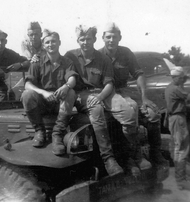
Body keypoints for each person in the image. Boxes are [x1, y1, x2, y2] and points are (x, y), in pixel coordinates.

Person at [98, 22, 168, 169]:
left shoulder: (126, 53)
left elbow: (139, 74)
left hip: (125, 91)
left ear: (120, 38)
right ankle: (133, 155)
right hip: (108, 93)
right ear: (103, 38)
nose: (111, 40)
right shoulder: (98, 56)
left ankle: (155, 152)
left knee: (152, 114)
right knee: (127, 114)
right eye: (108, 37)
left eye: (114, 37)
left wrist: (144, 97)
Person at [64, 24, 126, 177]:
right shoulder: (70, 56)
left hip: (99, 93)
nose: (86, 42)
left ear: (95, 39)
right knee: (97, 109)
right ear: (78, 40)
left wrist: (100, 97)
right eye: (82, 39)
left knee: (126, 111)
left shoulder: (103, 59)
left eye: (89, 39)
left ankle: (129, 157)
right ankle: (108, 159)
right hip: (78, 95)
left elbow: (109, 83)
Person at [21, 29, 77, 155]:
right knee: (27, 94)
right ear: (43, 45)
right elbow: (28, 84)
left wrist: (67, 86)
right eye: (47, 42)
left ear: (59, 43)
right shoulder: (37, 62)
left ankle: (57, 134)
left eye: (53, 42)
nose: (50, 45)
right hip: (43, 103)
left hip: (59, 104)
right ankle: (39, 131)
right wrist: (43, 92)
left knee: (71, 92)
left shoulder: (67, 62)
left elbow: (72, 79)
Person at [165, 66, 190, 190]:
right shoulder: (176, 89)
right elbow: (188, 96)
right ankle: (181, 180)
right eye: (181, 78)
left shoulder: (170, 87)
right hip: (178, 119)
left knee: (177, 147)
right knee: (182, 148)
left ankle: (180, 177)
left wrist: (183, 79)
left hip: (174, 118)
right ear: (175, 78)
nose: (183, 80)